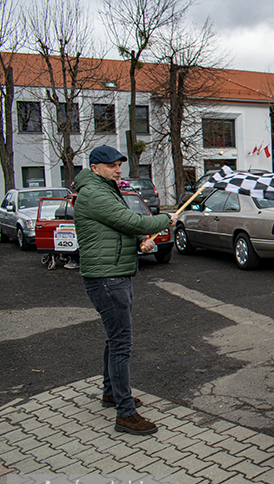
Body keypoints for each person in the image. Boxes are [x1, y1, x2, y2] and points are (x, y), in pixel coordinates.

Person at [74, 145, 176, 435]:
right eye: (111, 166)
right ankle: (125, 414)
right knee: (121, 343)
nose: (118, 170)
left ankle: (111, 392)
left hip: (115, 274)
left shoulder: (105, 189)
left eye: (119, 165)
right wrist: (164, 219)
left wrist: (139, 242)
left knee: (114, 338)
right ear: (95, 168)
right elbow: (130, 221)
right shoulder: (95, 193)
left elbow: (117, 230)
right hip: (107, 279)